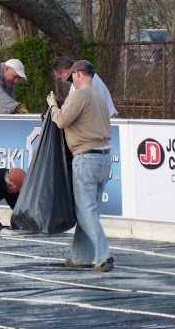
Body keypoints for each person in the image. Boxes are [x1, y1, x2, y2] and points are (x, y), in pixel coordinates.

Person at [47, 60, 114, 272]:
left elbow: (61, 121)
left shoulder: (79, 94)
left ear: (76, 74)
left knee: (85, 211)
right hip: (104, 157)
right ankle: (81, 256)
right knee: (91, 211)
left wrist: (52, 106)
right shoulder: (100, 96)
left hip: (86, 158)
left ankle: (103, 256)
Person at [51, 56, 118, 118]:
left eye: (60, 78)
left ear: (64, 72)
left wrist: (54, 107)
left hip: (103, 122)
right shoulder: (89, 76)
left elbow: (67, 115)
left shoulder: (81, 83)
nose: (62, 81)